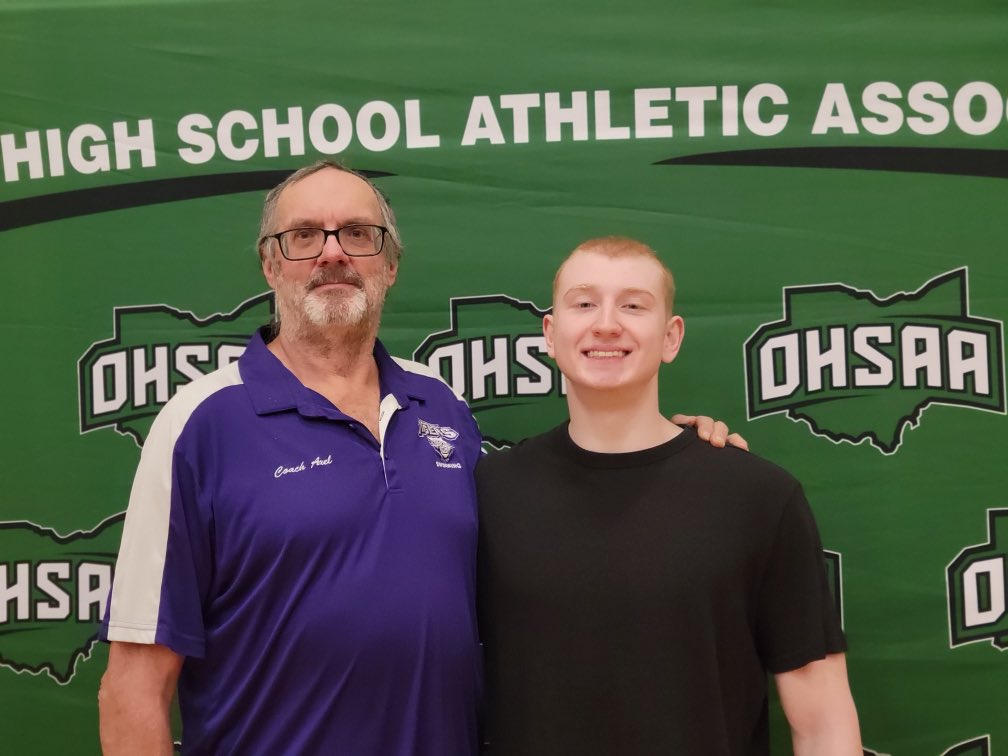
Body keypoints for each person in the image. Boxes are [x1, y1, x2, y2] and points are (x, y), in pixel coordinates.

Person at [97, 162, 738, 755]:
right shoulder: (200, 423)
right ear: (270, 265)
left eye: (358, 233)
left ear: (391, 263)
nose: (332, 253)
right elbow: (132, 689)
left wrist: (670, 459)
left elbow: (554, 513)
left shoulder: (441, 406)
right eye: (303, 237)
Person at [476, 237, 861, 755]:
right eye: (584, 303)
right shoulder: (487, 494)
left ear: (671, 336)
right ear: (551, 331)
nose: (607, 323)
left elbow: (823, 724)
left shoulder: (757, 496)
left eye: (633, 305)